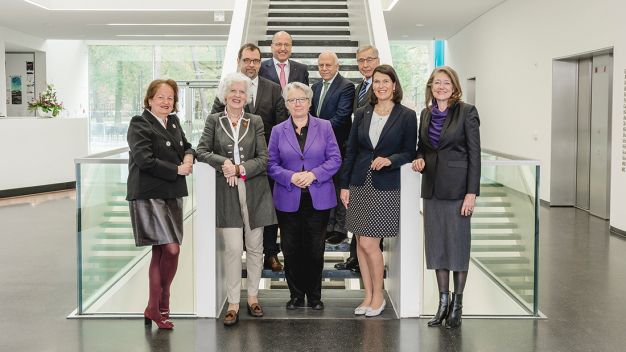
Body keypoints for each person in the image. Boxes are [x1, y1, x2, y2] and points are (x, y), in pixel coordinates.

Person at [196, 72, 277, 326]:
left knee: (255, 247)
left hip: (255, 191)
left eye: (242, 92)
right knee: (233, 249)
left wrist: (241, 169)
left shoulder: (255, 121)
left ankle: (252, 297)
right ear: (225, 94)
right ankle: (233, 302)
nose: (237, 96)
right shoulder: (214, 120)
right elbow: (201, 151)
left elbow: (264, 158)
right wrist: (225, 163)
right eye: (233, 91)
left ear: (247, 96)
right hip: (226, 193)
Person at [340, 64, 417, 317]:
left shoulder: (406, 115)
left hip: (385, 186)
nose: (381, 86)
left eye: (386, 81)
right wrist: (344, 185)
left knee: (371, 244)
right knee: (360, 243)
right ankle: (368, 295)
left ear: (394, 85)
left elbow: (409, 152)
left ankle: (379, 296)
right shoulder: (362, 113)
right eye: (376, 82)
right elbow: (351, 150)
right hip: (360, 183)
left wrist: (390, 160)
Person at [412, 66, 481, 329]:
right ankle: (442, 304)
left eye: (446, 83)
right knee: (437, 248)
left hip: (457, 191)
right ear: (431, 86)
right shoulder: (426, 114)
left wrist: (471, 193)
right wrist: (418, 160)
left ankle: (458, 305)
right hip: (431, 190)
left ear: (454, 86)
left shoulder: (467, 112)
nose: (441, 87)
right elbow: (422, 148)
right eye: (436, 83)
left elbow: (475, 154)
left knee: (458, 247)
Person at [211, 43, 288, 272]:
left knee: (266, 210)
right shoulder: (227, 89)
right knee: (238, 213)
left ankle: (271, 253)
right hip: (233, 166)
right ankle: (245, 250)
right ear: (239, 61)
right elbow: (215, 119)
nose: (251, 65)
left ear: (260, 63)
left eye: (255, 61)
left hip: (264, 162)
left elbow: (281, 124)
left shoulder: (273, 89)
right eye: (247, 60)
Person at [126, 79, 195, 329]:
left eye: (170, 98)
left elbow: (187, 146)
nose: (166, 102)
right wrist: (177, 168)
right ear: (150, 100)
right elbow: (144, 160)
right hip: (149, 194)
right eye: (161, 97)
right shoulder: (139, 123)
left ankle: (152, 307)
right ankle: (162, 301)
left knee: (161, 251)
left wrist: (188, 155)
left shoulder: (173, 122)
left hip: (172, 192)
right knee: (172, 249)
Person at [267, 82, 342, 311]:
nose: (297, 104)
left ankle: (315, 295)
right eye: (292, 100)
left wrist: (313, 174)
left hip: (318, 196)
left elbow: (335, 159)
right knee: (291, 249)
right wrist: (290, 177)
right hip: (288, 196)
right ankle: (296, 295)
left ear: (309, 102)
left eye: (302, 99)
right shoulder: (278, 130)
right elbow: (270, 164)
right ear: (286, 104)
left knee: (314, 248)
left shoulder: (325, 126)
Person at [336, 45, 381, 273]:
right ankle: (355, 258)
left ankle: (365, 264)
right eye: (361, 61)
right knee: (358, 217)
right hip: (358, 160)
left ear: (378, 60)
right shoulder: (358, 88)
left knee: (370, 224)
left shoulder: (382, 88)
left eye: (369, 60)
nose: (365, 64)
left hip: (376, 164)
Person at [310, 51, 355, 247]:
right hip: (319, 148)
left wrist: (317, 134)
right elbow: (311, 114)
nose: (324, 68)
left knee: (339, 186)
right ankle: (328, 226)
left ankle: (340, 229)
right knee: (325, 185)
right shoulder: (315, 87)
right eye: (321, 65)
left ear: (337, 66)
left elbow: (342, 117)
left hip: (339, 145)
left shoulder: (346, 87)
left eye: (328, 65)